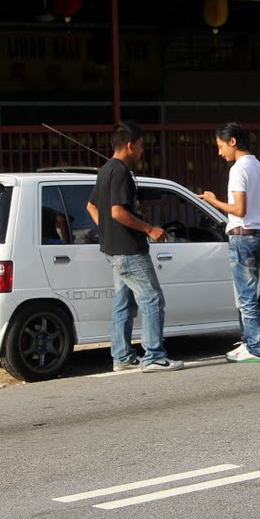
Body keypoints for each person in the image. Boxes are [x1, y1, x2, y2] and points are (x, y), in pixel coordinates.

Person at [85, 122, 183, 373]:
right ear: (129, 145)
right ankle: (154, 356)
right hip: (129, 250)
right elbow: (117, 212)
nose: (142, 151)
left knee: (124, 303)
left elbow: (92, 207)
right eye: (140, 146)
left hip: (113, 250)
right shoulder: (120, 173)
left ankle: (122, 357)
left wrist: (107, 230)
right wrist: (149, 229)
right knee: (152, 299)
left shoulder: (105, 170)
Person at [200, 122, 260, 363]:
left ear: (232, 142)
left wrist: (213, 201)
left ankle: (255, 347)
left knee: (246, 295)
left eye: (220, 146)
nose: (219, 153)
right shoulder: (259, 166)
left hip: (243, 235)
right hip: (257, 234)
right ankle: (248, 342)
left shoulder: (239, 168)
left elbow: (239, 209)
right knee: (246, 293)